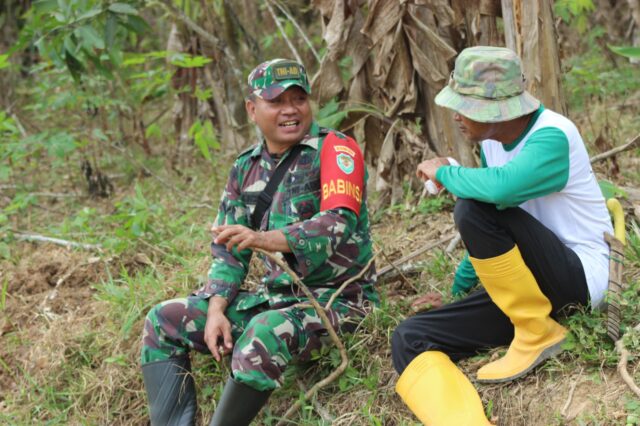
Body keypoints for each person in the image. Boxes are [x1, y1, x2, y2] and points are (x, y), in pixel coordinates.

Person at [140, 59, 377, 426]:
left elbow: (337, 223)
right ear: (252, 109)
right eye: (276, 101)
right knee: (164, 320)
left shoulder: (335, 149)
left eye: (298, 99)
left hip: (339, 303)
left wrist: (263, 239)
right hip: (277, 301)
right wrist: (216, 308)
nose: (290, 110)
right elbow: (228, 248)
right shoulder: (245, 167)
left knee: (262, 333)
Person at [391, 46, 613, 425]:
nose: (456, 116)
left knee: (471, 206)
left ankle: (537, 333)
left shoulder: (553, 135)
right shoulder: (492, 143)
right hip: (530, 286)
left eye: (465, 106)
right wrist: (459, 291)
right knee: (410, 337)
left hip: (578, 278)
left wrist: (445, 173)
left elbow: (500, 192)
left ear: (495, 108)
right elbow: (493, 233)